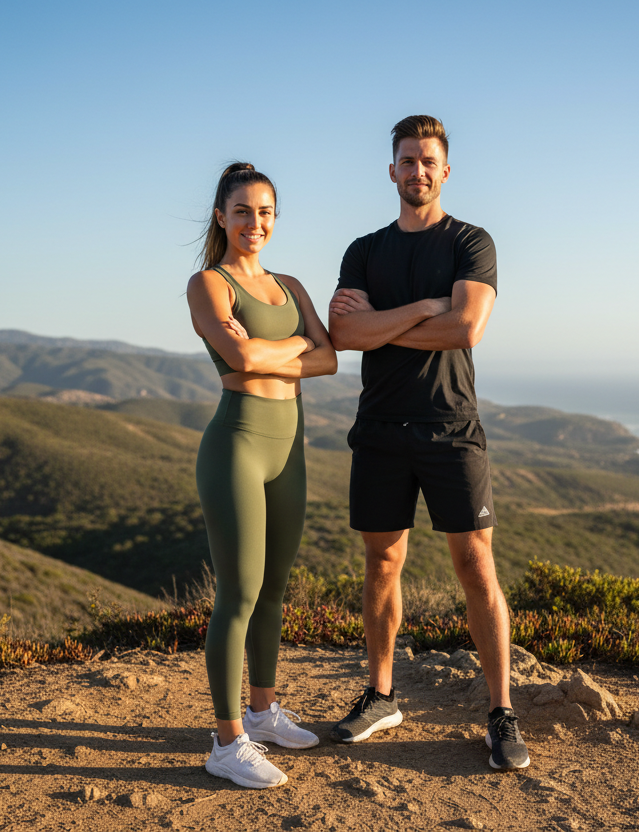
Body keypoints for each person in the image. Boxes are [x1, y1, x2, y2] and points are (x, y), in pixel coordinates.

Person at [327, 116, 529, 771]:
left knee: (476, 567)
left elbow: (466, 329)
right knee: (381, 565)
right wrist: (420, 310)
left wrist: (381, 324)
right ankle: (382, 695)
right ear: (392, 170)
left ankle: (501, 712)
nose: (417, 171)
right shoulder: (363, 251)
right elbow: (344, 336)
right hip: (380, 431)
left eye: (428, 161)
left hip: (451, 431)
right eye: (406, 161)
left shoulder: (473, 243)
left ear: (445, 171)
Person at [186, 161, 338, 788]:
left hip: (290, 446)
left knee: (275, 589)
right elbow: (242, 356)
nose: (255, 223)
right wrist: (294, 348)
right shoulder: (209, 284)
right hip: (238, 447)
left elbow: (330, 359)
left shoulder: (291, 284)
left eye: (266, 212)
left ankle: (264, 710)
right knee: (239, 594)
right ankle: (226, 743)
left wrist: (281, 353)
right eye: (243, 211)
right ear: (221, 215)